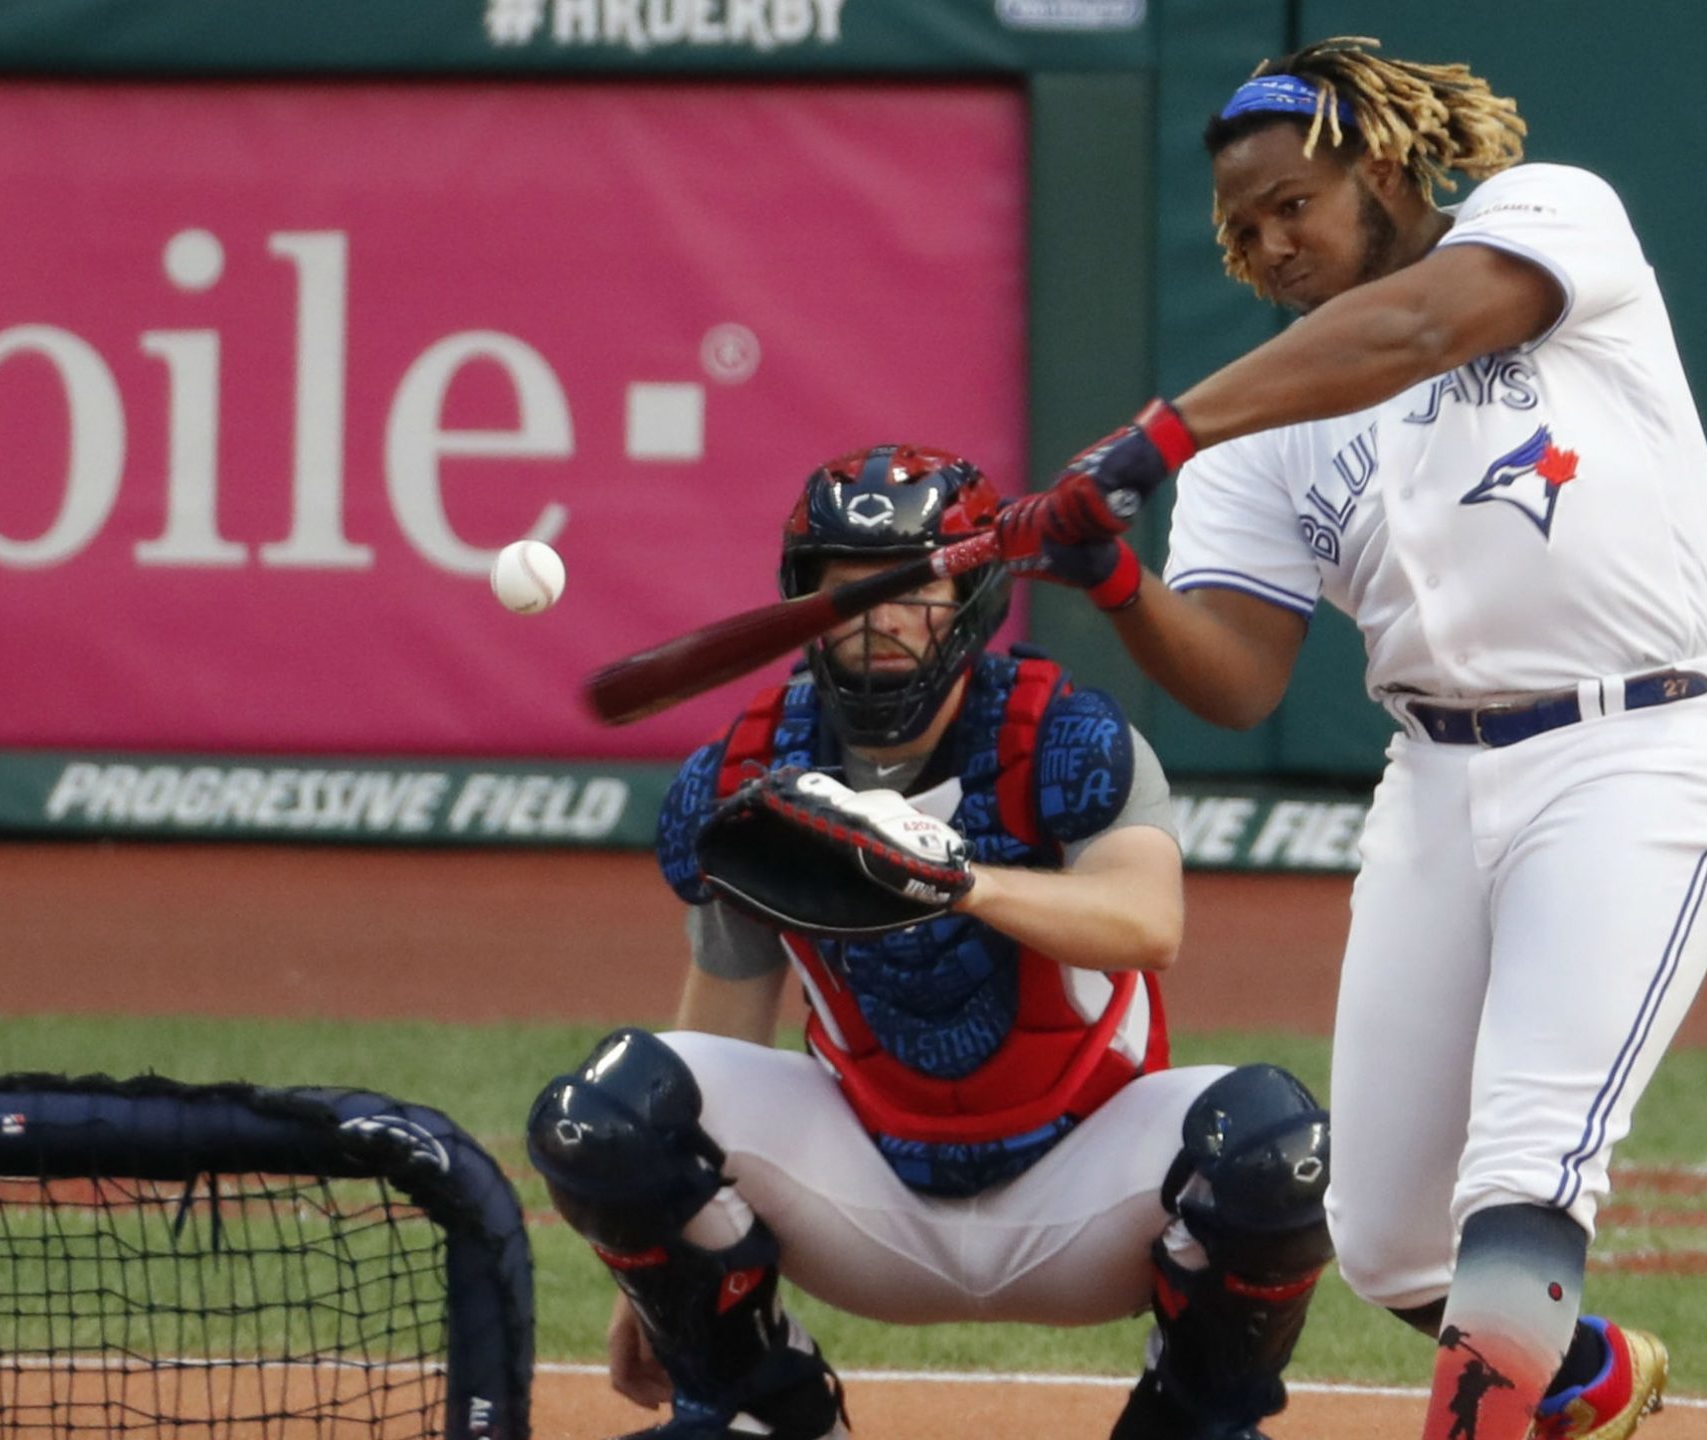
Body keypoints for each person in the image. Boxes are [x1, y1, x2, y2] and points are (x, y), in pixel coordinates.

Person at [998, 35, 1707, 1440]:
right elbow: (1238, 678)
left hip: (1637, 750)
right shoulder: (1260, 428)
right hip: (1434, 781)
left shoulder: (1546, 217)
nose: (1271, 241)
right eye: (1242, 227)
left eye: (1293, 201)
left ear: (1382, 162)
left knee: (1525, 1171)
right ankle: (1588, 1377)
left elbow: (1418, 330)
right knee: (1387, 1237)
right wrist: (1116, 575)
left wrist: (1150, 440)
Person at [528, 444, 1334, 1440]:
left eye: (916, 589)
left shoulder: (1065, 737)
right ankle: (757, 1406)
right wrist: (655, 1281)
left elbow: (1145, 925)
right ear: (804, 603)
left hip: (1082, 1183)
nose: (882, 617)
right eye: (848, 590)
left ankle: (1191, 1420)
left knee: (1274, 1143)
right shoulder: (748, 771)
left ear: (973, 599)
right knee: (600, 1112)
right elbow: (721, 1032)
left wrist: (957, 884)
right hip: (867, 1194)